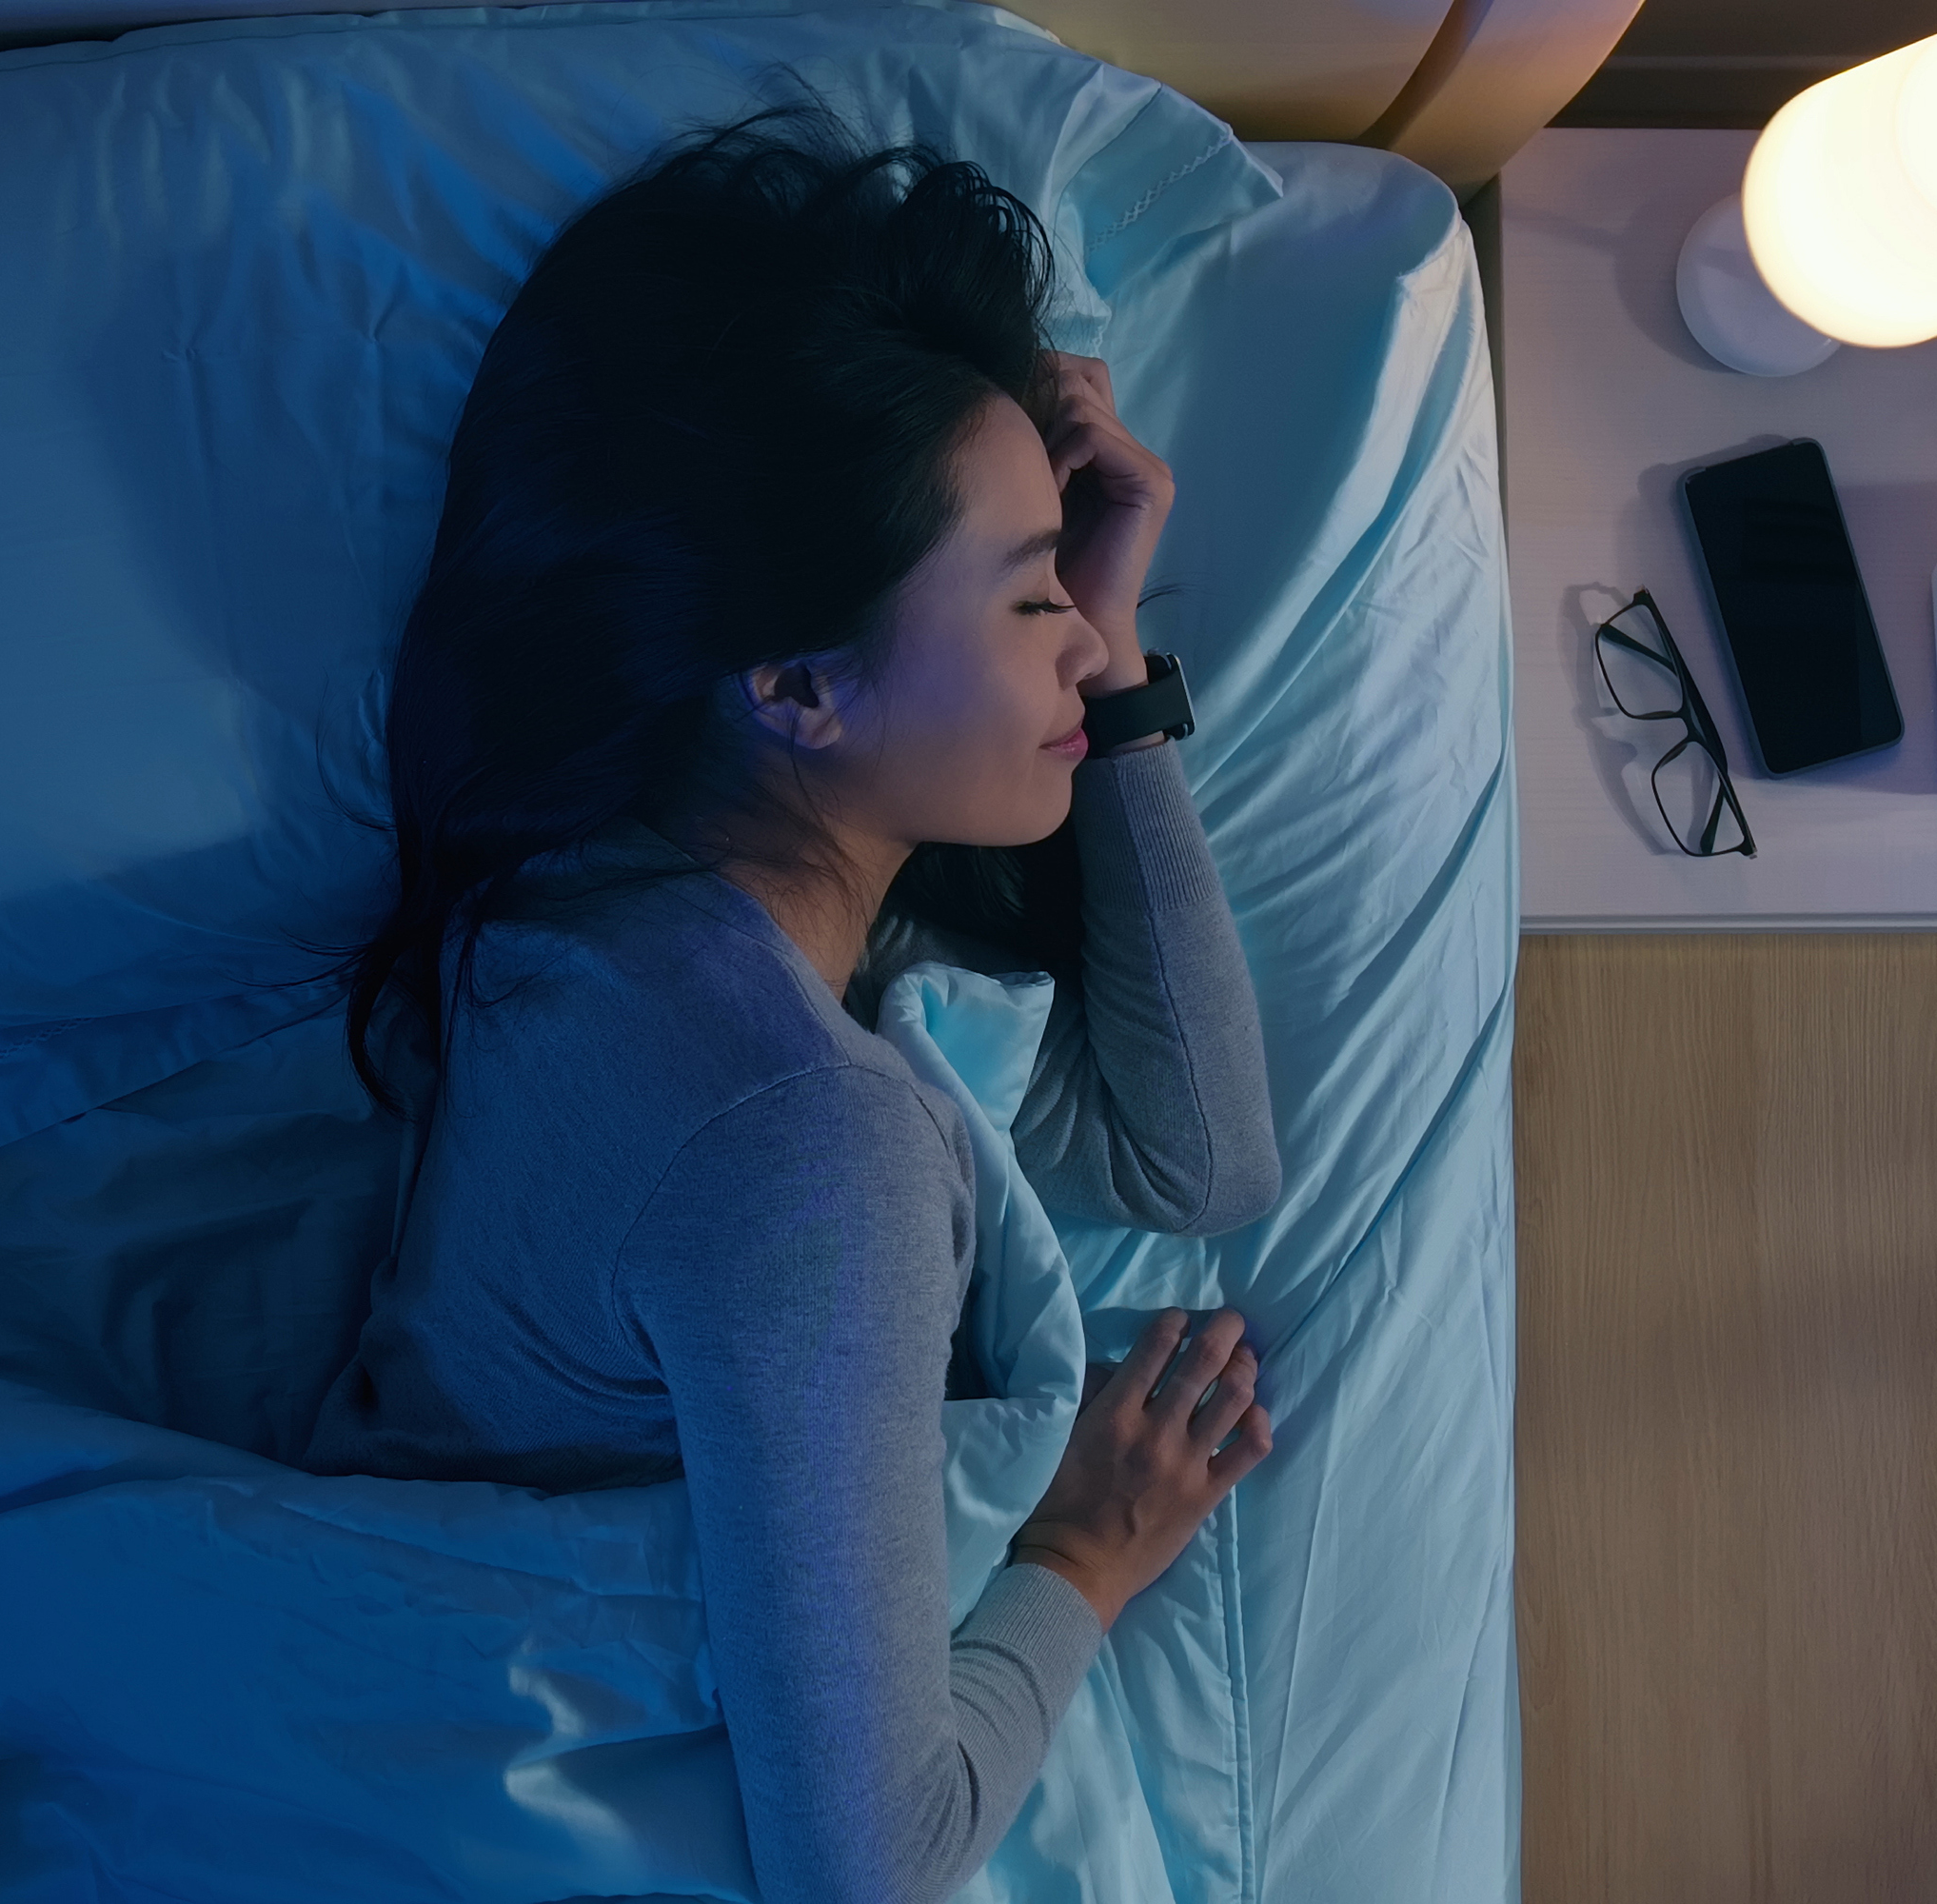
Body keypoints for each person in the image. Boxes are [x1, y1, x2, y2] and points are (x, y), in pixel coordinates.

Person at [305, 104, 1283, 1904]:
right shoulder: (806, 1144)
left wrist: (1113, 666)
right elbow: (869, 1866)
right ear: (796, 687)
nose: (1079, 633)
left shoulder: (600, 861)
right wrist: (1084, 1552)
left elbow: (1194, 1154)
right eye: (1025, 596)